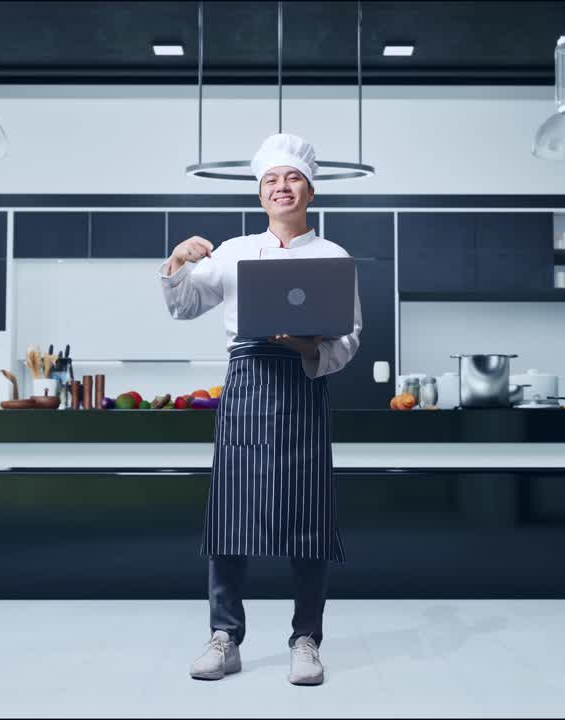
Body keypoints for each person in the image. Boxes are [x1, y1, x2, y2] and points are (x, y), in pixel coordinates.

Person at [158, 133, 362, 686]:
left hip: (301, 385)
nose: (281, 187)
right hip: (246, 386)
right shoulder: (233, 251)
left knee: (309, 518)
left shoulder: (333, 258)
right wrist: (177, 260)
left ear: (311, 191)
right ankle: (225, 637)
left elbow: (348, 342)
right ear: (260, 193)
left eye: (291, 177)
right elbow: (184, 306)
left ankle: (306, 640)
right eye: (271, 179)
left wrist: (305, 346)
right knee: (231, 516)